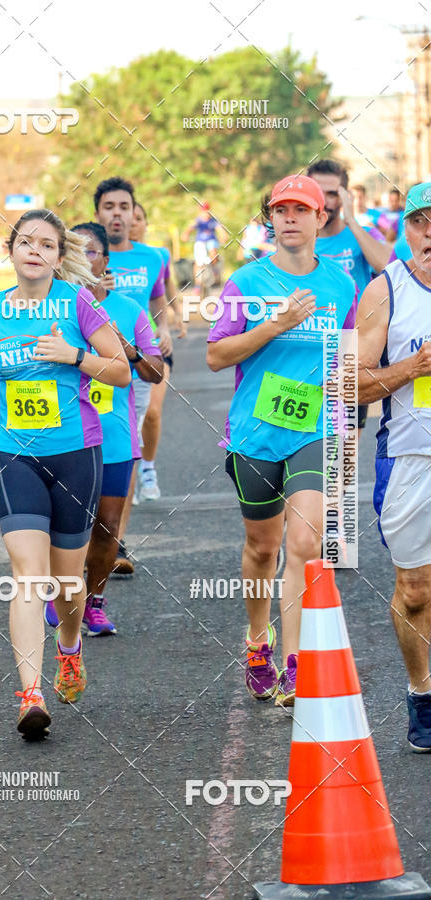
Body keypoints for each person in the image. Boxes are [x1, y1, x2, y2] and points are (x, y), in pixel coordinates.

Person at [0, 209, 130, 739]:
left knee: (67, 584)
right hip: (14, 454)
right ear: (10, 250)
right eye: (25, 242)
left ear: (59, 257)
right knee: (28, 575)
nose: (35, 251)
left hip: (75, 453)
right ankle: (31, 694)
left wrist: (74, 354)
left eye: (47, 245)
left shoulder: (77, 303)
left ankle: (70, 647)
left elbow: (120, 369)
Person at [207, 174, 357, 707]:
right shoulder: (245, 283)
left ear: (321, 218)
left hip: (316, 430)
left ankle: (295, 666)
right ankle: (257, 640)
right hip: (255, 435)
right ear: (269, 219)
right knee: (262, 548)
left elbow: (350, 358)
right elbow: (217, 355)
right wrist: (276, 323)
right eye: (280, 209)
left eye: (302, 209)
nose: (290, 217)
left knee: (303, 545)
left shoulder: (342, 286)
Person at [357, 181, 431, 752]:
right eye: (420, 223)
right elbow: (349, 385)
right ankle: (421, 692)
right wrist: (414, 365)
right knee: (415, 591)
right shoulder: (386, 290)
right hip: (410, 456)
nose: (430, 234)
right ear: (405, 230)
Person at [68, 222, 163, 632]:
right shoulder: (52, 308)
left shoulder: (129, 310)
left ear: (106, 260)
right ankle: (63, 595)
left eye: (91, 252)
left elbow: (156, 373)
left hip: (115, 436)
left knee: (107, 525)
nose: (82, 260)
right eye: (73, 252)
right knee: (69, 526)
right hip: (64, 434)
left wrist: (130, 351)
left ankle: (94, 601)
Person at [94, 177, 172, 574]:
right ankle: (87, 535)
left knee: (127, 444)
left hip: (139, 362)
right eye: (109, 207)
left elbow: (159, 300)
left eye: (124, 207)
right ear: (98, 214)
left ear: (133, 212)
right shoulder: (85, 254)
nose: (117, 214)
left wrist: (166, 328)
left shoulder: (151, 257)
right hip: (91, 366)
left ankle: (117, 540)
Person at [307, 159, 392, 436]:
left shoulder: (362, 235)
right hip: (305, 344)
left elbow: (388, 266)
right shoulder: (296, 238)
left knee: (343, 451)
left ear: (344, 196)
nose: (326, 201)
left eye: (333, 193)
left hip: (350, 349)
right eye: (319, 192)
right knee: (300, 439)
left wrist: (352, 221)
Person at [129, 202, 186, 502]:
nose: (133, 222)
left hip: (152, 347)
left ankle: (147, 469)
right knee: (122, 417)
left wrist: (172, 321)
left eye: (139, 218)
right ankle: (126, 475)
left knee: (150, 413)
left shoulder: (157, 256)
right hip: (114, 350)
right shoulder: (101, 255)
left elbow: (164, 290)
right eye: (130, 216)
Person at [182, 202, 224, 288]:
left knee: (213, 251)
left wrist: (223, 236)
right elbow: (190, 228)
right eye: (203, 211)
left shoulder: (213, 221)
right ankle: (198, 284)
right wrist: (185, 235)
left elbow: (220, 230)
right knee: (198, 262)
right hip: (200, 241)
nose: (205, 213)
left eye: (206, 211)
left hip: (211, 241)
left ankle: (213, 269)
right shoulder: (198, 220)